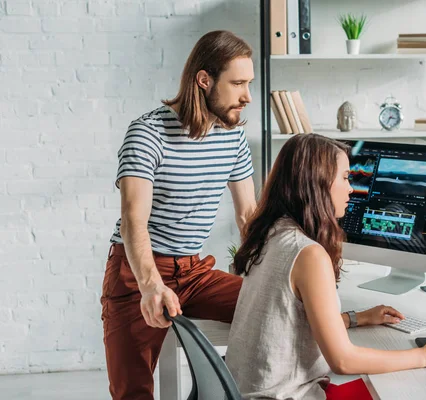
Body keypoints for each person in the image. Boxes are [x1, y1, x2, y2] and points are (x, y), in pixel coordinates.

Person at [226, 134, 426, 399]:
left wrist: (356, 318)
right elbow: (344, 361)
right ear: (317, 184)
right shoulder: (308, 255)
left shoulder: (271, 232)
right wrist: (425, 354)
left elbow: (287, 322)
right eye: (345, 177)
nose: (351, 188)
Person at [101, 30, 257, 400]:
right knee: (132, 393)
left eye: (248, 83)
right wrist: (151, 286)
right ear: (204, 80)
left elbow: (249, 214)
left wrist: (273, 271)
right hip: (137, 272)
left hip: (196, 272)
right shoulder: (147, 133)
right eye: (237, 84)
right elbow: (133, 221)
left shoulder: (232, 137)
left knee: (276, 307)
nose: (247, 96)